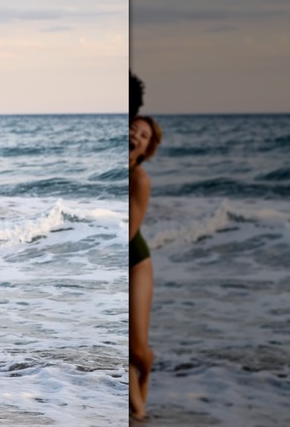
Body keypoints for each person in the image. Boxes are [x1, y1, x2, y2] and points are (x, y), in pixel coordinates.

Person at [129, 114, 162, 420]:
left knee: (138, 353)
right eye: (133, 130)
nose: (135, 136)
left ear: (146, 148)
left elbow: (127, 233)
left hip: (135, 261)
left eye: (143, 136)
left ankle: (148, 364)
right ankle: (137, 413)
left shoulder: (140, 179)